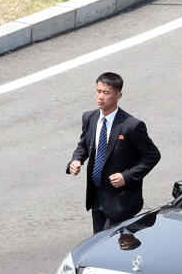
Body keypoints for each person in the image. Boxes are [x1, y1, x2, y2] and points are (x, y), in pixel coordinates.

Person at [67, 72, 161, 234]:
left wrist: (127, 176)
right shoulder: (90, 118)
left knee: (116, 246)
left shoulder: (131, 125)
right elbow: (84, 145)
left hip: (121, 200)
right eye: (98, 91)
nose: (100, 97)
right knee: (98, 243)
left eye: (106, 93)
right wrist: (76, 160)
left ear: (118, 96)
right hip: (96, 196)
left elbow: (152, 155)